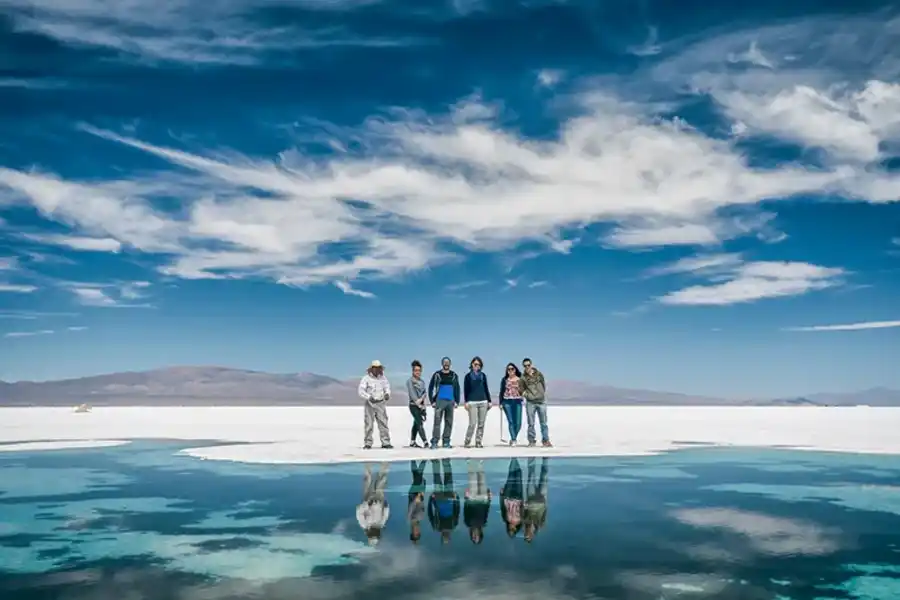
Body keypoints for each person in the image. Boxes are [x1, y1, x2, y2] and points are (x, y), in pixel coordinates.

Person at [358, 360, 393, 449]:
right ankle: (368, 443)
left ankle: (386, 442)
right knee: (369, 424)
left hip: (381, 403)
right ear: (372, 369)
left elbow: (387, 387)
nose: (377, 370)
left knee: (383, 423)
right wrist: (369, 397)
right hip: (370, 403)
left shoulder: (383, 378)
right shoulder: (366, 378)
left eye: (378, 368)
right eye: (375, 368)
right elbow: (361, 391)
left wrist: (387, 394)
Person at [427, 357, 460, 449]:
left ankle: (446, 441)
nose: (446, 364)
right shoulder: (437, 374)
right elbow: (431, 388)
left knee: (449, 422)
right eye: (445, 362)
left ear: (450, 364)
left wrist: (457, 401)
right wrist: (432, 401)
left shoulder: (454, 375)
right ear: (442, 363)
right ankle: (435, 441)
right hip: (439, 401)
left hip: (450, 401)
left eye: (448, 362)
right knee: (437, 422)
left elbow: (457, 388)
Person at [356, 462, 390, 546]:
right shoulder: (380, 525)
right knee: (381, 482)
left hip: (368, 499)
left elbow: (359, 512)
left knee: (368, 480)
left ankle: (368, 463)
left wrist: (367, 505)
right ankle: (385, 463)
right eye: (376, 535)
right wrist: (386, 507)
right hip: (379, 501)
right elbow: (385, 515)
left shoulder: (364, 524)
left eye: (373, 535)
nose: (375, 533)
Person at [427, 458, 460, 543]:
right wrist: (457, 498)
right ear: (450, 537)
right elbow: (457, 511)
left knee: (437, 478)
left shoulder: (436, 527)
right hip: (450, 498)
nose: (446, 536)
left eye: (444, 538)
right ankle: (446, 462)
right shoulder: (453, 525)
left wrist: (431, 499)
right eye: (447, 538)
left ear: (441, 537)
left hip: (438, 499)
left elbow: (430, 513)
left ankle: (435, 463)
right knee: (448, 476)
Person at [520, 357, 551, 448]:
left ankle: (545, 441)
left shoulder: (538, 374)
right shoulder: (523, 377)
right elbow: (521, 389)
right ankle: (531, 441)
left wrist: (541, 394)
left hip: (541, 402)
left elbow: (543, 385)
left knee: (543, 422)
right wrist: (528, 395)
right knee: (531, 423)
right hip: (531, 403)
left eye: (528, 365)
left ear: (531, 365)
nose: (527, 367)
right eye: (525, 366)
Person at [463, 356, 491, 448]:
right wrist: (466, 401)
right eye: (475, 364)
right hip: (472, 402)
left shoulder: (483, 376)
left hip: (483, 401)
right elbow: (466, 390)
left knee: (481, 423)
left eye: (479, 365)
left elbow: (486, 388)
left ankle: (478, 442)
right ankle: (467, 441)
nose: (477, 366)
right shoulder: (468, 376)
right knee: (472, 423)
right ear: (472, 365)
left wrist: (489, 401)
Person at [463, 459, 491, 544]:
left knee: (472, 479)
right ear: (480, 534)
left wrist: (466, 498)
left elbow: (465, 510)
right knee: (481, 479)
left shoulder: (468, 523)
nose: (475, 536)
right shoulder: (483, 523)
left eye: (473, 538)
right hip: (483, 499)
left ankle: (470, 463)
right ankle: (480, 463)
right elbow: (486, 511)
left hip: (472, 499)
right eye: (477, 537)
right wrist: (489, 499)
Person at [523, 457, 549, 543]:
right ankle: (545, 459)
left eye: (525, 536)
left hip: (531, 498)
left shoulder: (525, 522)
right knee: (544, 476)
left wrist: (524, 506)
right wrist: (545, 505)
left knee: (531, 475)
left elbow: (523, 509)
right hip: (542, 499)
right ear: (532, 535)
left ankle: (531, 458)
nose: (527, 535)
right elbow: (545, 513)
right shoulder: (540, 525)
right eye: (528, 537)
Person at [498, 362, 524, 446]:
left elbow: (524, 389)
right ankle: (513, 439)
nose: (510, 371)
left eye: (512, 369)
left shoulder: (520, 379)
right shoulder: (504, 379)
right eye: (508, 369)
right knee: (511, 421)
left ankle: (514, 437)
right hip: (507, 402)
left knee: (518, 423)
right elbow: (501, 391)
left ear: (515, 370)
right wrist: (500, 402)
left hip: (517, 401)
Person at [406, 360, 429, 448]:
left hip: (421, 405)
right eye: (416, 370)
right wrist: (418, 402)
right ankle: (425, 441)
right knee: (419, 422)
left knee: (416, 422)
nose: (418, 372)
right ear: (413, 371)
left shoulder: (422, 382)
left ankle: (412, 442)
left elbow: (424, 393)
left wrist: (423, 408)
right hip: (413, 405)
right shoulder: (410, 381)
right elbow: (412, 394)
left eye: (419, 370)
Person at [500, 457, 524, 538]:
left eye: (510, 530)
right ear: (516, 529)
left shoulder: (505, 519)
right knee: (518, 475)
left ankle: (514, 458)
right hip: (518, 498)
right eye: (513, 530)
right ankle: (515, 459)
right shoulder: (521, 520)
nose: (511, 528)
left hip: (508, 497)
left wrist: (501, 495)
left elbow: (502, 507)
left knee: (510, 477)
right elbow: (523, 508)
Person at [407, 459, 427, 545]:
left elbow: (411, 507)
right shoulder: (420, 518)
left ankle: (424, 460)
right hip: (420, 494)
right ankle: (413, 460)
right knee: (417, 476)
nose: (417, 531)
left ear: (412, 532)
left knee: (418, 476)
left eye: (415, 533)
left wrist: (416, 499)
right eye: (418, 533)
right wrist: (422, 495)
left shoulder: (411, 519)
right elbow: (422, 506)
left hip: (414, 494)